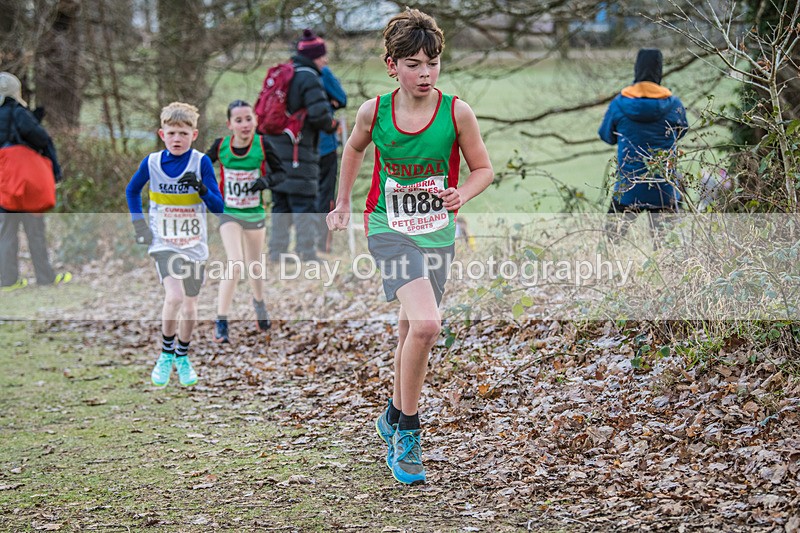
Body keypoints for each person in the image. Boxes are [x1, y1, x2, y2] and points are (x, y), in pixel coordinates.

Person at [327, 8, 493, 485]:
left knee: (408, 332)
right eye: (415, 63)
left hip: (438, 231)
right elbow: (354, 148)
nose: (425, 73)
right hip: (388, 227)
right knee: (426, 325)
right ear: (392, 65)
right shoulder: (373, 111)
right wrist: (342, 202)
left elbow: (483, 168)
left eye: (433, 63)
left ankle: (392, 418)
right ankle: (409, 435)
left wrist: (464, 192)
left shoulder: (456, 112)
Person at [125, 102, 223, 387]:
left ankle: (182, 355)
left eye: (183, 133)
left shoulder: (201, 162)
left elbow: (218, 208)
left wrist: (202, 189)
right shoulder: (152, 163)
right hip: (164, 241)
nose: (177, 138)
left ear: (194, 135)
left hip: (193, 244)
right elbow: (132, 190)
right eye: (171, 133)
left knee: (191, 307)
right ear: (161, 134)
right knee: (175, 297)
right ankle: (166, 354)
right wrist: (139, 224)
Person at [206, 100, 285, 344]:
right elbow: (201, 167)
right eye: (238, 120)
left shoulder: (263, 145)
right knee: (235, 263)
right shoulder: (221, 147)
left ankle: (259, 302)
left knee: (254, 265)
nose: (244, 125)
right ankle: (221, 320)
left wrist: (265, 182)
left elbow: (281, 173)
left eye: (248, 119)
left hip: (254, 214)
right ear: (230, 124)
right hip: (228, 212)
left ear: (255, 120)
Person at [598, 48, 688, 239]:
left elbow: (606, 136)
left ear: (636, 70)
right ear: (659, 71)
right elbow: (682, 131)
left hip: (628, 189)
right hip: (663, 189)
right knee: (666, 250)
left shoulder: (619, 104)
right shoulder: (674, 105)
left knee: (610, 243)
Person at [267, 29, 338, 263]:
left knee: (281, 202)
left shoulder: (286, 72)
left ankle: (276, 252)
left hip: (275, 149)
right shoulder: (308, 76)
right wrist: (331, 124)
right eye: (321, 56)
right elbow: (319, 115)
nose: (324, 61)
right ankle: (306, 252)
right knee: (304, 202)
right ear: (313, 57)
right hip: (299, 150)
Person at [0, 71, 71, 291]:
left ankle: (8, 281)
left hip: (4, 184)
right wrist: (55, 172)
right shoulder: (19, 114)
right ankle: (45, 277)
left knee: (5, 233)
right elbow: (42, 139)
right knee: (35, 232)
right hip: (26, 184)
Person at [315, 65, 347, 254]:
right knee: (326, 195)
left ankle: (305, 244)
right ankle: (323, 244)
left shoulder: (290, 71)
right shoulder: (324, 72)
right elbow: (342, 98)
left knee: (304, 196)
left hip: (296, 147)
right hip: (324, 145)